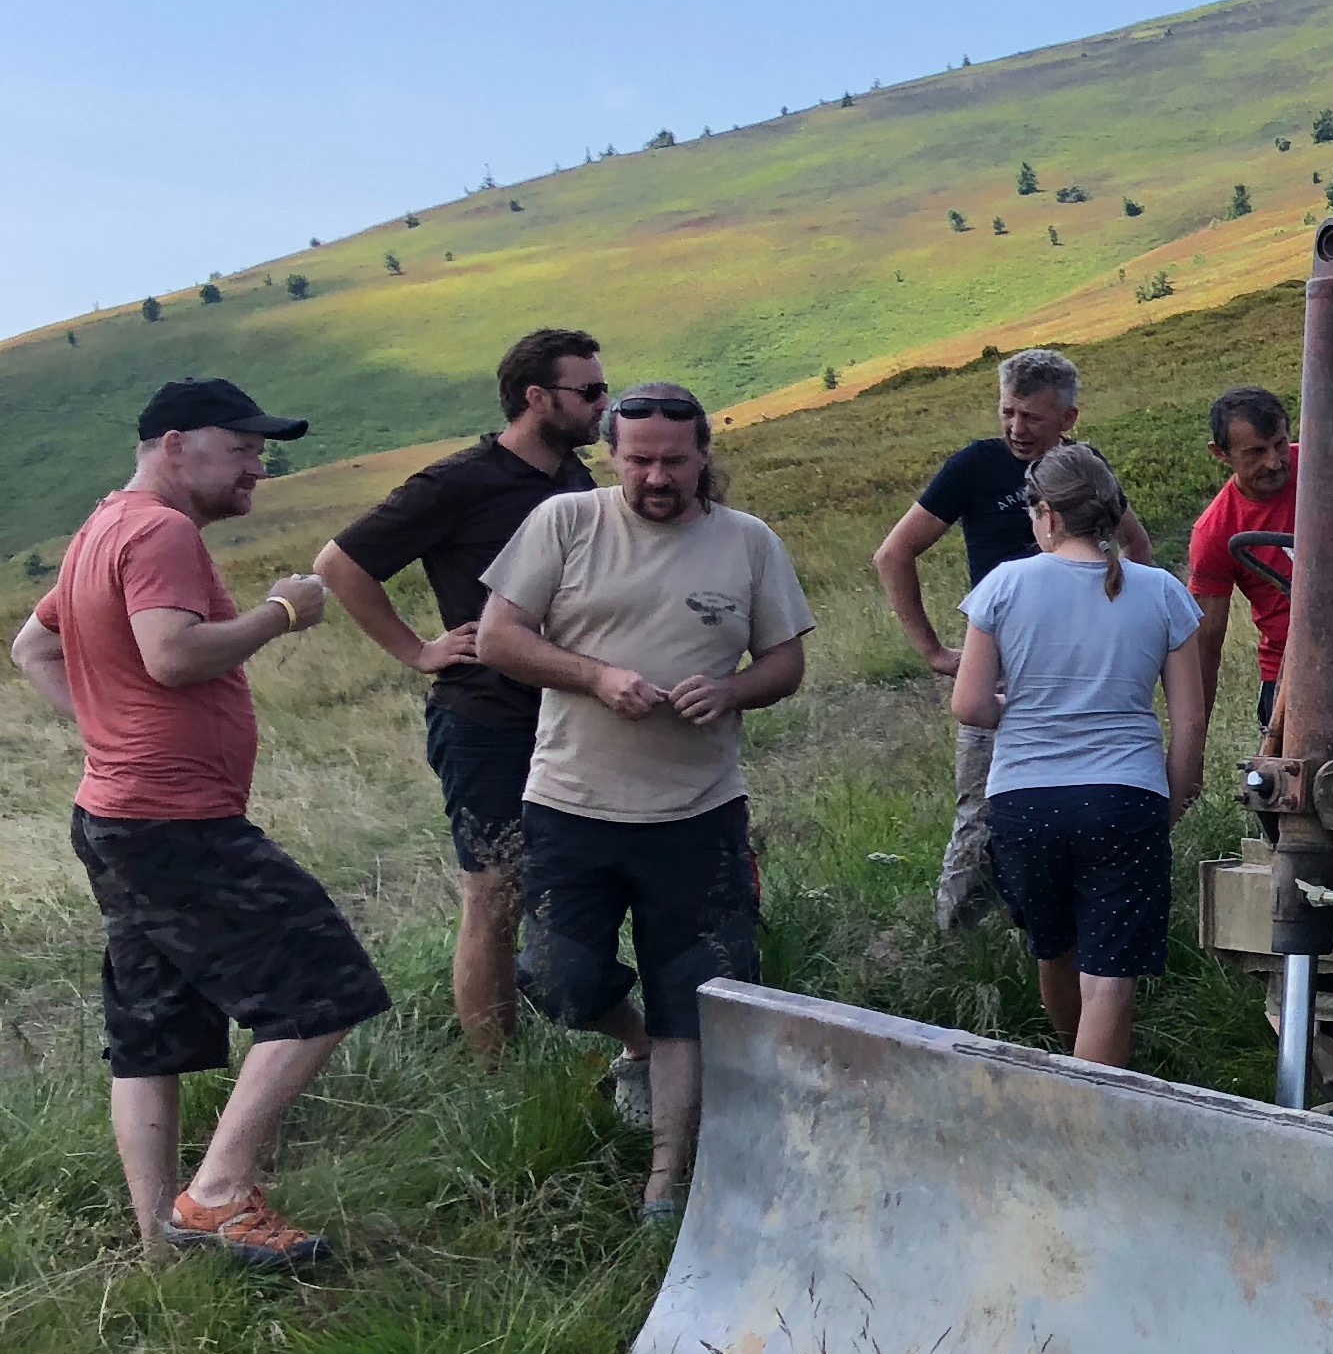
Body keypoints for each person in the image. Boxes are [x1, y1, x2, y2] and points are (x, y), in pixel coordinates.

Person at [9, 380, 389, 1264]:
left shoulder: (103, 526)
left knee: (152, 1030)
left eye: (263, 450)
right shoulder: (161, 531)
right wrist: (281, 613)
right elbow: (173, 656)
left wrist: (111, 733)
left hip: (118, 815)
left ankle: (159, 1244)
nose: (260, 465)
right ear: (176, 445)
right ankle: (216, 1195)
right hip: (173, 823)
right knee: (326, 986)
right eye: (243, 447)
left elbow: (33, 646)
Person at [477, 384, 812, 1222]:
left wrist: (732, 691)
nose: (657, 478)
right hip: (570, 803)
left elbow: (785, 664)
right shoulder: (566, 522)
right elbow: (497, 638)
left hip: (699, 813)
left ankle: (667, 1181)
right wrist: (596, 677)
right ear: (612, 456)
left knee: (694, 995)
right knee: (558, 980)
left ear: (704, 456)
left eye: (673, 461)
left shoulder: (748, 542)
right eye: (639, 462)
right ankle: (635, 1048)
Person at [314, 327, 609, 1061]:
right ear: (537, 398)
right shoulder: (458, 482)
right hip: (486, 719)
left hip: (570, 714)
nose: (603, 404)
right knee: (494, 892)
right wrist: (417, 650)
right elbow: (340, 564)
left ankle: (585, 1024)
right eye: (590, 391)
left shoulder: (577, 481)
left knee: (579, 878)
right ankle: (498, 1073)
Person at [875, 350, 1149, 932]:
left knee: (1079, 797)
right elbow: (893, 553)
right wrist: (932, 651)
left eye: (1032, 418)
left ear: (1068, 419)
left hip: (1080, 667)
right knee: (981, 810)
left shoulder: (1087, 468)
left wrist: (1126, 624)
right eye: (1008, 413)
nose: (1016, 429)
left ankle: (1058, 927)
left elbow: (1137, 545)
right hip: (1000, 666)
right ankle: (961, 938)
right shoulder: (975, 466)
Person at [952, 442, 1206, 1066]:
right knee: (1110, 976)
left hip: (1024, 802)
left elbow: (970, 705)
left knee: (1055, 950)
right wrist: (1174, 798)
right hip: (1124, 796)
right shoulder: (1161, 591)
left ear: (1047, 514)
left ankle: (1075, 1077)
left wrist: (1026, 709)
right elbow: (1190, 719)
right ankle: (1094, 1098)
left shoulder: (1003, 584)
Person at [1182, 384, 1333, 731]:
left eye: (1280, 444)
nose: (1274, 462)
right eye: (1255, 452)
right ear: (1220, 454)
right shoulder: (1215, 531)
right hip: (1291, 675)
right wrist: (1194, 741)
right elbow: (1207, 642)